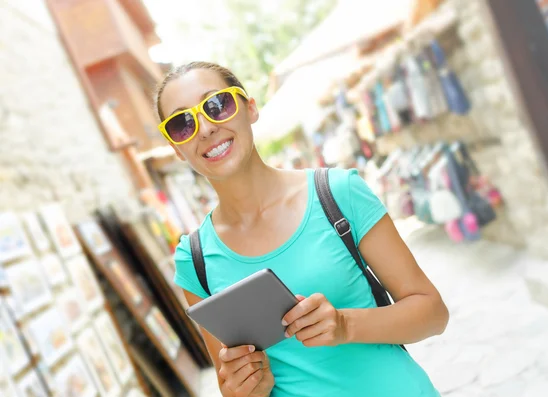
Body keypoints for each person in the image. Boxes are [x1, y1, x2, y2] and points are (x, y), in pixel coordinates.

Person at [154, 61, 449, 397]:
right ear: (176, 148)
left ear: (250, 108)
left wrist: (345, 325)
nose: (205, 128)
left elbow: (433, 313)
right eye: (182, 124)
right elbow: (230, 384)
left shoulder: (338, 193)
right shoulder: (194, 260)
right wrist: (248, 388)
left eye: (217, 105)